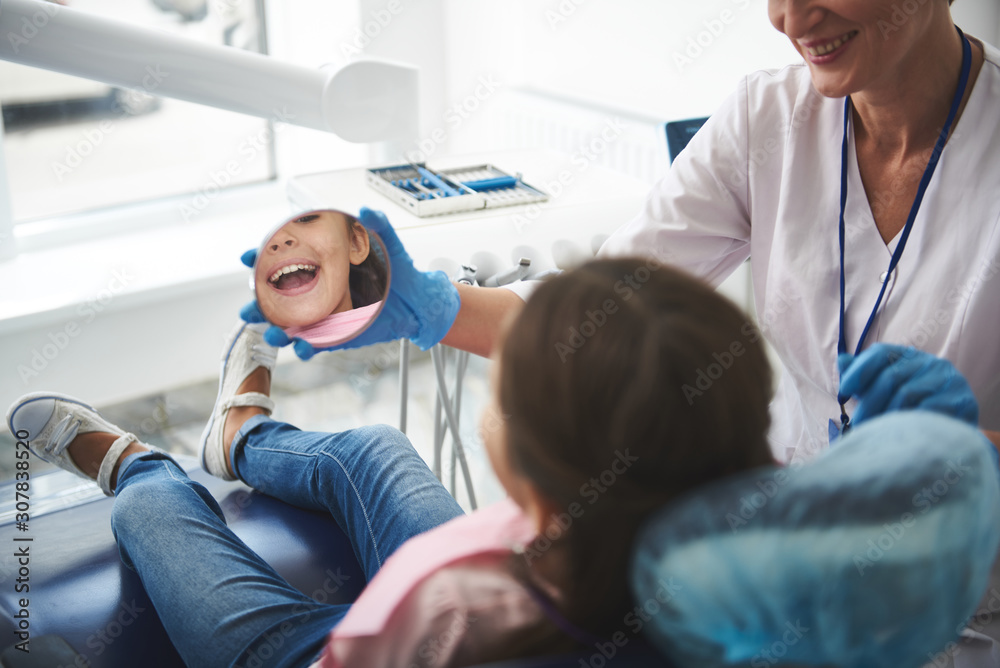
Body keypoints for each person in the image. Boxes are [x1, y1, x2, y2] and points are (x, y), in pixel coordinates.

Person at [8, 258, 779, 668]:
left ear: (528, 466)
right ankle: (241, 437)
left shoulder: (450, 584)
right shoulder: (755, 582)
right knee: (376, 449)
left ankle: (145, 470)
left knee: (149, 512)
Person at [253, 210, 387, 345]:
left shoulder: (394, 321)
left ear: (355, 243)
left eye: (305, 218)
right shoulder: (258, 344)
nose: (280, 239)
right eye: (264, 235)